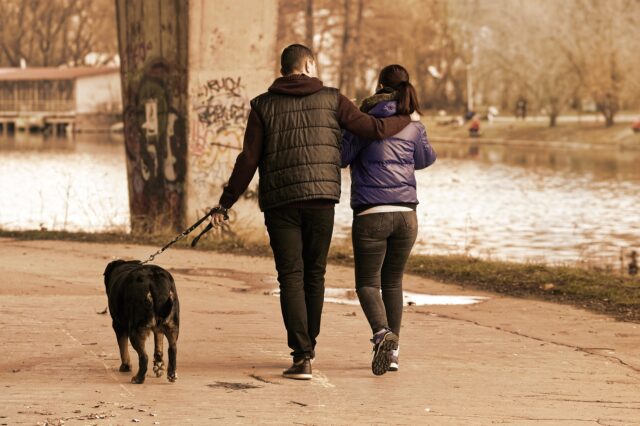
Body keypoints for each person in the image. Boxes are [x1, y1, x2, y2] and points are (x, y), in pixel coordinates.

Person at [210, 44, 411, 380]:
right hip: (321, 199)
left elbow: (248, 160)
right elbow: (373, 130)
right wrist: (403, 118)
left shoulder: (262, 105)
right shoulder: (333, 99)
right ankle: (309, 345)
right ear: (308, 65)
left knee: (290, 276)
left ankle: (302, 355)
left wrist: (225, 202)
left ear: (284, 68)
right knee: (314, 274)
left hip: (280, 203)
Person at [341, 64, 436, 375]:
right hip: (407, 216)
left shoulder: (364, 121)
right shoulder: (413, 124)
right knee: (393, 282)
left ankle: (382, 334)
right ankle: (393, 354)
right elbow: (425, 159)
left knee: (368, 283)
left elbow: (342, 157)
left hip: (372, 213)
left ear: (378, 86)